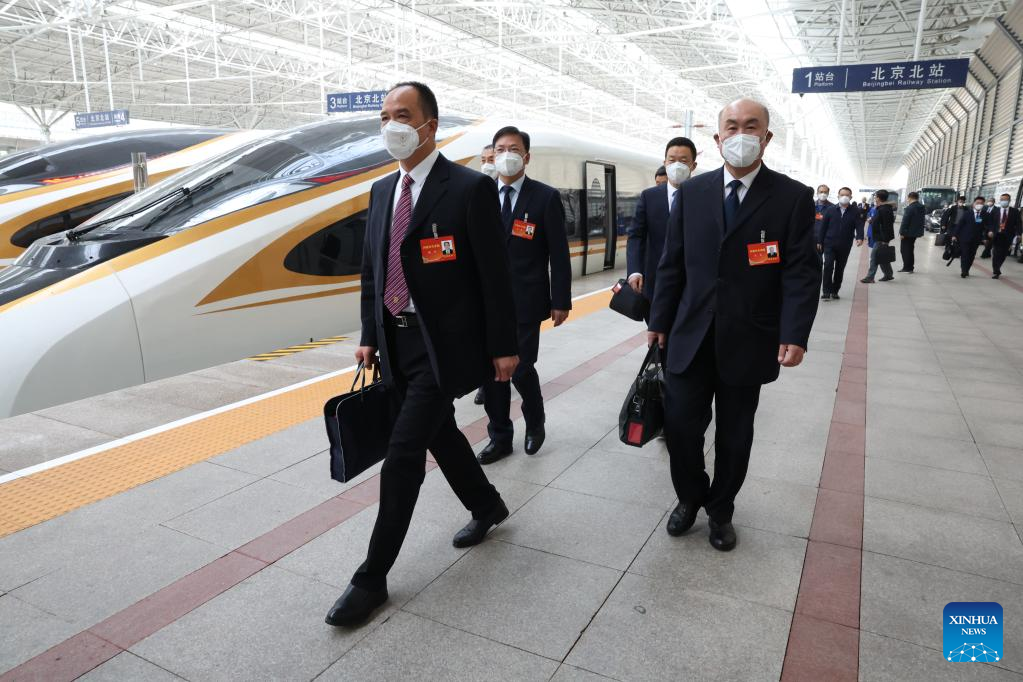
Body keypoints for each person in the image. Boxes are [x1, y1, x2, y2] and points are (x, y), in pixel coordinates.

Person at [325, 82, 519, 627]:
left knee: (404, 451)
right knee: (441, 434)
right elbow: (373, 272)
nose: (391, 125)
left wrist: (504, 347)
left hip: (444, 347)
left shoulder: (468, 189)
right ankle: (486, 505)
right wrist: (369, 332)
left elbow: (494, 277)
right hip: (396, 342)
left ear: (429, 125)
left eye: (402, 115)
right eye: (384, 116)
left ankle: (372, 578)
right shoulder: (382, 191)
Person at [648, 98, 818, 552]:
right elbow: (672, 265)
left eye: (751, 126)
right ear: (717, 136)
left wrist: (794, 333)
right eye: (731, 126)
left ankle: (721, 510)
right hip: (689, 336)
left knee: (735, 434)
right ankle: (690, 497)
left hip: (750, 338)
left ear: (766, 137)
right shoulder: (692, 193)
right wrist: (658, 321)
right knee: (681, 429)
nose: (739, 134)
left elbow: (801, 271)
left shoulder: (791, 197)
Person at [477, 126, 572, 464]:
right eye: (500, 149)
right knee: (490, 374)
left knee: (519, 368)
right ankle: (500, 436)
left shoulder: (544, 197)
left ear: (526, 157)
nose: (505, 155)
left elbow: (559, 254)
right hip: (485, 303)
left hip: (526, 300)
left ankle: (535, 422)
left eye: (513, 149)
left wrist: (561, 299)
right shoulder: (480, 192)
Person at [626, 137, 698, 312]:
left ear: (693, 165)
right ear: (664, 162)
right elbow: (636, 236)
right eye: (672, 160)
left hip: (693, 286)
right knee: (656, 335)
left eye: (683, 161)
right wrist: (635, 271)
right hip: (653, 284)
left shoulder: (704, 195)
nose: (676, 165)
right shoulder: (649, 197)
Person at [818, 186, 864, 300]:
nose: (844, 197)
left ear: (851, 197)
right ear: (838, 196)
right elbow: (823, 227)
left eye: (847, 195)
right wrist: (820, 241)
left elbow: (859, 225)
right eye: (842, 195)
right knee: (828, 266)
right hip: (829, 243)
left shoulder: (855, 211)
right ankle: (826, 291)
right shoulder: (830, 210)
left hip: (845, 244)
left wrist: (860, 237)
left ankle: (835, 291)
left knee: (840, 268)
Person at [950, 196, 992, 278]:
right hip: (964, 238)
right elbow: (960, 225)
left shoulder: (985, 215)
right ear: (973, 204)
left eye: (981, 203)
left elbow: (988, 226)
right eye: (977, 203)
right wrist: (954, 235)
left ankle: (967, 269)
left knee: (971, 255)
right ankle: (964, 270)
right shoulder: (967, 213)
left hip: (976, 239)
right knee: (965, 254)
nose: (979, 205)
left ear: (983, 205)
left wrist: (987, 235)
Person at [860, 190, 895, 284]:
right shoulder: (882, 208)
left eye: (875, 196)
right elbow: (880, 222)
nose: (875, 198)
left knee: (874, 257)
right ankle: (888, 274)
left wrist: (885, 240)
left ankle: (870, 277)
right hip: (880, 237)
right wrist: (872, 220)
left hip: (881, 238)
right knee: (882, 256)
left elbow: (887, 226)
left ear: (878, 198)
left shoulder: (884, 209)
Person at [989, 193, 1021, 279]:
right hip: (997, 235)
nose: (1004, 201)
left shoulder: (1015, 211)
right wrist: (991, 230)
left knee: (1003, 254)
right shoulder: (995, 211)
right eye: (1002, 199)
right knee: (995, 253)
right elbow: (990, 222)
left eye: (1005, 200)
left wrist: (1018, 234)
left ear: (1009, 201)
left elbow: (1018, 224)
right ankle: (996, 271)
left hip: (1007, 236)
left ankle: (998, 267)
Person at [898, 191, 926, 273]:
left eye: (908, 198)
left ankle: (907, 267)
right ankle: (910, 267)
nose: (907, 200)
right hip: (915, 233)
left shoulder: (910, 208)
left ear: (910, 198)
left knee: (904, 250)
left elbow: (905, 221)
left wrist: (902, 232)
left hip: (907, 233)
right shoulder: (921, 207)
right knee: (910, 249)